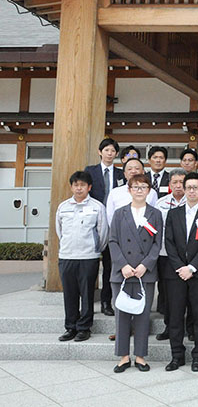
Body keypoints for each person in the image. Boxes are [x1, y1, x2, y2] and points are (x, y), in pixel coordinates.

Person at [164, 172, 198, 372]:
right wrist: (180, 267)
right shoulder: (174, 213)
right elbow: (168, 242)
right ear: (183, 190)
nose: (192, 191)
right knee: (176, 316)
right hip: (176, 273)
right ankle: (176, 355)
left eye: (196, 188)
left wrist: (192, 267)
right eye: (189, 188)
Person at [108, 174, 162, 373]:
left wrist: (145, 265)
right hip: (122, 272)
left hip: (144, 273)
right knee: (121, 314)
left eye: (143, 187)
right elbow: (112, 241)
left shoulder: (155, 214)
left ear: (149, 190)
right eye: (135, 187)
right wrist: (123, 265)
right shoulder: (119, 213)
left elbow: (157, 243)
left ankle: (140, 355)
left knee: (142, 314)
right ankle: (123, 356)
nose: (139, 190)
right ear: (129, 190)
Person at [55, 170, 109, 342]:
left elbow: (103, 233)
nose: (79, 188)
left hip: (88, 257)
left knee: (87, 294)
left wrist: (95, 249)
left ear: (89, 187)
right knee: (69, 293)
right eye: (76, 185)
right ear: (71, 187)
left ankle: (84, 328)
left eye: (82, 185)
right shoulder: (63, 207)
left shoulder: (97, 207)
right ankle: (70, 327)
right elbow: (59, 231)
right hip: (67, 256)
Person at [85, 138, 124, 317]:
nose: (109, 153)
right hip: (94, 222)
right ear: (100, 152)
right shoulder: (90, 171)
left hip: (114, 224)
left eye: (113, 151)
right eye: (106, 150)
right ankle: (87, 303)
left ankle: (106, 302)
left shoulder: (121, 174)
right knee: (90, 266)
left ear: (116, 154)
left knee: (109, 265)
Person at [154, 169, 187, 341]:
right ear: (169, 184)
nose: (178, 186)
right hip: (165, 254)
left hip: (187, 256)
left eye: (182, 182)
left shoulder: (194, 201)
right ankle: (169, 326)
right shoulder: (161, 203)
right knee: (167, 293)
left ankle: (190, 327)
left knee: (189, 294)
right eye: (175, 182)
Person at [106, 158, 158, 225]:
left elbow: (154, 216)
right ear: (125, 174)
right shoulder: (114, 193)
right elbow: (110, 217)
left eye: (137, 168)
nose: (133, 171)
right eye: (129, 169)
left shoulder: (151, 192)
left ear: (143, 172)